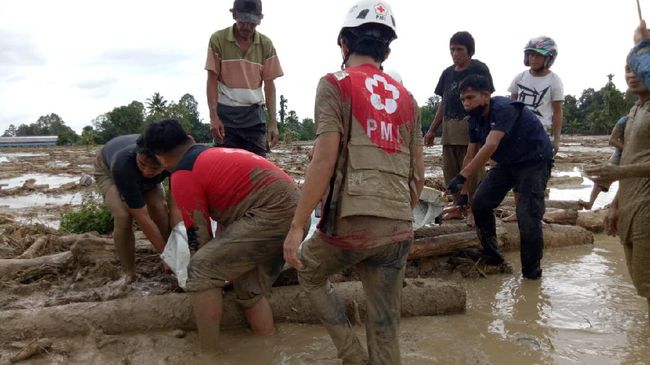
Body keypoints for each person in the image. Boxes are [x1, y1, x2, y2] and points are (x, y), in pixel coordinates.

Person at [283, 1, 424, 363]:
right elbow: (418, 176)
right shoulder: (408, 99)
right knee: (386, 324)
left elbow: (324, 160)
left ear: (343, 43)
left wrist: (298, 225)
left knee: (310, 271)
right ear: (387, 51)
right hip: (398, 226)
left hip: (352, 224)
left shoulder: (334, 84)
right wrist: (394, 219)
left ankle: (350, 353)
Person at [142, 119, 305, 351]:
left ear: (160, 158)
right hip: (294, 215)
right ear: (189, 138)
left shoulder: (184, 173)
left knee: (200, 270)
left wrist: (192, 273)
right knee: (249, 289)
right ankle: (269, 347)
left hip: (272, 216)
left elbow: (199, 239)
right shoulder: (211, 154)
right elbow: (228, 222)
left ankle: (209, 352)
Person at [447, 74, 553, 280]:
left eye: (470, 98)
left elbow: (491, 145)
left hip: (534, 160)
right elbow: (470, 155)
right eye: (463, 100)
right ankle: (491, 253)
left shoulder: (504, 108)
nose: (466, 104)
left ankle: (532, 273)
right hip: (508, 163)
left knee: (527, 215)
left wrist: (461, 176)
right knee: (480, 203)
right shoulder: (473, 121)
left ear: (486, 95)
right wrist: (464, 195)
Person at [586, 21, 650, 313]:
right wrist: (614, 205)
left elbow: (625, 168)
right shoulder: (634, 112)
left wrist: (641, 45)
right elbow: (629, 160)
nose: (632, 73)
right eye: (627, 68)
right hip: (632, 205)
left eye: (637, 67)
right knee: (642, 284)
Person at [423, 31, 494, 225]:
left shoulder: (479, 69)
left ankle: (473, 209)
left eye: (459, 49)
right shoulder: (447, 73)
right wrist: (431, 130)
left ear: (469, 51)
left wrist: (487, 128)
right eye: (452, 49)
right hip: (449, 128)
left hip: (472, 127)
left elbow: (487, 98)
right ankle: (458, 206)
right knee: (451, 171)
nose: (455, 53)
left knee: (472, 170)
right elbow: (443, 103)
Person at [205, 0, 283, 157]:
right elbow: (211, 80)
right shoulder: (218, 40)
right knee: (225, 168)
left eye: (252, 23)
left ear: (259, 20)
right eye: (243, 22)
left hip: (254, 117)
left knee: (258, 170)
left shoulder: (265, 45)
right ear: (234, 15)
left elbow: (269, 86)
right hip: (225, 117)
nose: (247, 27)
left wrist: (273, 123)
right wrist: (213, 116)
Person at [93, 134, 174, 282]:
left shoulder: (175, 161)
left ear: (166, 162)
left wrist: (174, 253)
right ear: (138, 154)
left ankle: (173, 257)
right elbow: (141, 216)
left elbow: (176, 206)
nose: (146, 172)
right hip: (108, 169)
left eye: (154, 168)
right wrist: (165, 254)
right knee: (123, 216)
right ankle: (129, 273)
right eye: (143, 164)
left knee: (159, 207)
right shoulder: (122, 166)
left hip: (143, 167)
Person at [503, 36, 564, 222]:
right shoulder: (520, 78)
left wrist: (556, 139)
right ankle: (518, 211)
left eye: (538, 56)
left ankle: (536, 213)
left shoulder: (555, 81)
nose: (533, 59)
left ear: (549, 58)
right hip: (518, 134)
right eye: (530, 55)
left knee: (538, 176)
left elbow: (557, 112)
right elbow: (511, 106)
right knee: (517, 173)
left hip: (540, 135)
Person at [580, 116, 627, 210]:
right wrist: (627, 149)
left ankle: (618, 206)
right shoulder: (624, 121)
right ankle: (590, 203)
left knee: (628, 182)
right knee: (603, 178)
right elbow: (612, 140)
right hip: (621, 153)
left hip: (639, 155)